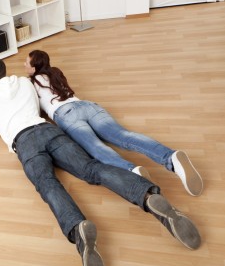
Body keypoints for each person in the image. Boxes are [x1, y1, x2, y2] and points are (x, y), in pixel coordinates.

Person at [0, 56, 201, 266]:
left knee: (49, 185)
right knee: (91, 169)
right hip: (47, 129)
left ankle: (78, 229)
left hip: (24, 142)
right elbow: (36, 107)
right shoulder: (25, 83)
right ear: (4, 70)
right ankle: (147, 195)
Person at [24, 49, 203, 196]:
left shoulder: (30, 83)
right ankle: (170, 156)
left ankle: (132, 171)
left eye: (26, 62)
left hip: (66, 115)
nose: (24, 65)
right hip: (86, 105)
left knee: (96, 148)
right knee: (123, 136)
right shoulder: (56, 73)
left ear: (34, 68)